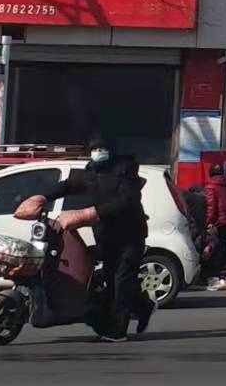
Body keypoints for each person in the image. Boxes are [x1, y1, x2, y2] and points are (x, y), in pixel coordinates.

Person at [29, 143, 152, 341]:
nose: (98, 153)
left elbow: (126, 201)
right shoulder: (91, 171)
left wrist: (90, 213)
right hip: (105, 234)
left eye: (102, 149)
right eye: (95, 149)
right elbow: (69, 186)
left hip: (130, 235)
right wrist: (42, 197)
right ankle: (143, 306)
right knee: (112, 277)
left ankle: (117, 330)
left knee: (120, 280)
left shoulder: (125, 172)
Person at [201, 164, 226, 279]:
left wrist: (209, 222)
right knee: (223, 244)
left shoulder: (211, 187)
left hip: (217, 221)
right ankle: (223, 268)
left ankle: (213, 271)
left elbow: (211, 206)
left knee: (214, 244)